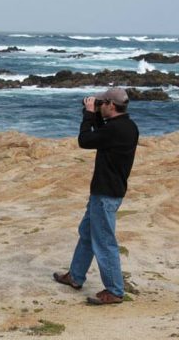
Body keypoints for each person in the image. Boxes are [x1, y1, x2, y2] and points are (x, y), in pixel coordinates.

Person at [53, 87, 139, 305]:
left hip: (106, 193)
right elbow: (103, 136)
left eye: (103, 103)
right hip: (108, 190)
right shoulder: (127, 126)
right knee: (87, 234)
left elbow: (85, 140)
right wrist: (95, 115)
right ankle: (75, 276)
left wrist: (88, 115)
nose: (100, 106)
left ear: (111, 105)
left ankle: (115, 290)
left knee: (104, 242)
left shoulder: (115, 129)